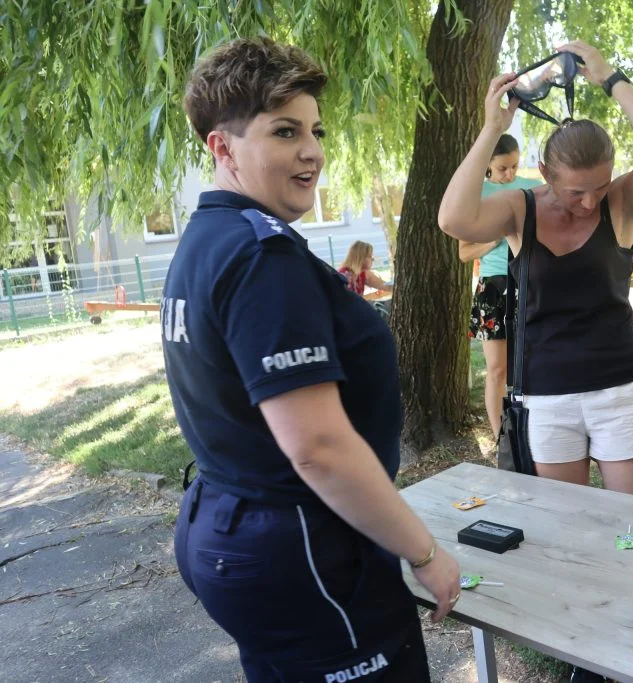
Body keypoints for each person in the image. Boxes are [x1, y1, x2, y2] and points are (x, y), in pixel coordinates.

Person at [163, 37, 459, 682]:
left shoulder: (209, 237)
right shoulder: (262, 256)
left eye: (315, 130)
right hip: (302, 542)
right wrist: (425, 551)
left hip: (229, 522)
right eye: (284, 131)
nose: (312, 151)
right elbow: (317, 447)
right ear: (222, 147)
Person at [438, 40, 633, 503]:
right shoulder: (519, 208)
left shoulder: (621, 203)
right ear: (545, 173)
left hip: (620, 392)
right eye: (575, 192)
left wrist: (611, 79)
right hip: (547, 398)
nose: (590, 201)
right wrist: (492, 129)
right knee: (565, 532)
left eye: (599, 186)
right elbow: (453, 220)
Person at [458, 134, 540, 440]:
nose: (510, 174)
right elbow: (464, 252)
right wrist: (496, 238)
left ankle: (532, 434)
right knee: (496, 370)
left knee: (531, 365)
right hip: (494, 287)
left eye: (515, 166)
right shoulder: (477, 193)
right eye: (503, 168)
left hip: (528, 283)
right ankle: (499, 439)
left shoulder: (531, 188)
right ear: (488, 164)